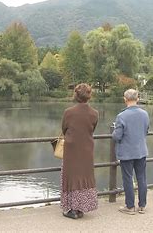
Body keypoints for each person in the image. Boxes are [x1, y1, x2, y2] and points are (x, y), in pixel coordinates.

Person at [60, 83, 99, 219]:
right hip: (87, 149)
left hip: (71, 149)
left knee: (71, 176)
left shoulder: (68, 112)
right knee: (84, 176)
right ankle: (81, 207)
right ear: (89, 96)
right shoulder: (94, 113)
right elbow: (92, 129)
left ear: (76, 95)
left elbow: (64, 129)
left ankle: (72, 209)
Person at [112, 89, 150, 215]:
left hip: (127, 153)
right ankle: (142, 206)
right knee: (142, 178)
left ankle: (130, 207)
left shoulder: (121, 116)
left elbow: (117, 136)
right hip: (141, 151)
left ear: (125, 99)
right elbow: (146, 131)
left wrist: (113, 130)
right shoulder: (145, 114)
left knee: (128, 179)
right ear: (137, 99)